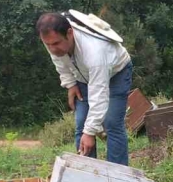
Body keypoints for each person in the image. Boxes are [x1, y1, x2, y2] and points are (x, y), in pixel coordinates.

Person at [36, 11, 133, 165]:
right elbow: (60, 61)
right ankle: (86, 175)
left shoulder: (95, 52)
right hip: (82, 76)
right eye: (47, 44)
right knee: (81, 125)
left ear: (70, 33)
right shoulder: (52, 38)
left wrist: (90, 132)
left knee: (112, 123)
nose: (52, 49)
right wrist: (71, 84)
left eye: (55, 43)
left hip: (116, 74)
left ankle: (117, 179)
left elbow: (99, 95)